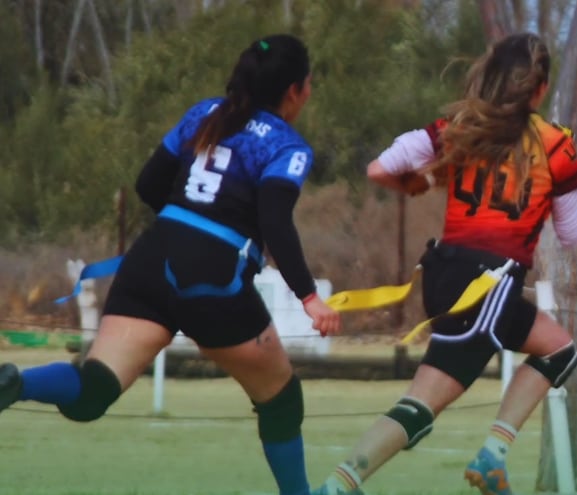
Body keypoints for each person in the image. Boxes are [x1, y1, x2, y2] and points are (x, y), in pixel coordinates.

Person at [0, 33, 340, 495]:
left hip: (152, 257)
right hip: (213, 276)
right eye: (309, 85)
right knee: (281, 400)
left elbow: (148, 184)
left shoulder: (204, 114)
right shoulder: (286, 144)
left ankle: (16, 384)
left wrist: (186, 230)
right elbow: (275, 220)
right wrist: (309, 297)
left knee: (93, 389)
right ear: (294, 91)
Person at [312, 32, 577, 495]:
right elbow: (573, 234)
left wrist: (415, 186)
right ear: (540, 89)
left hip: (449, 273)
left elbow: (379, 168)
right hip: (488, 286)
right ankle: (338, 486)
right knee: (421, 406)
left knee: (559, 350)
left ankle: (493, 456)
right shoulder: (555, 146)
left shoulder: (458, 126)